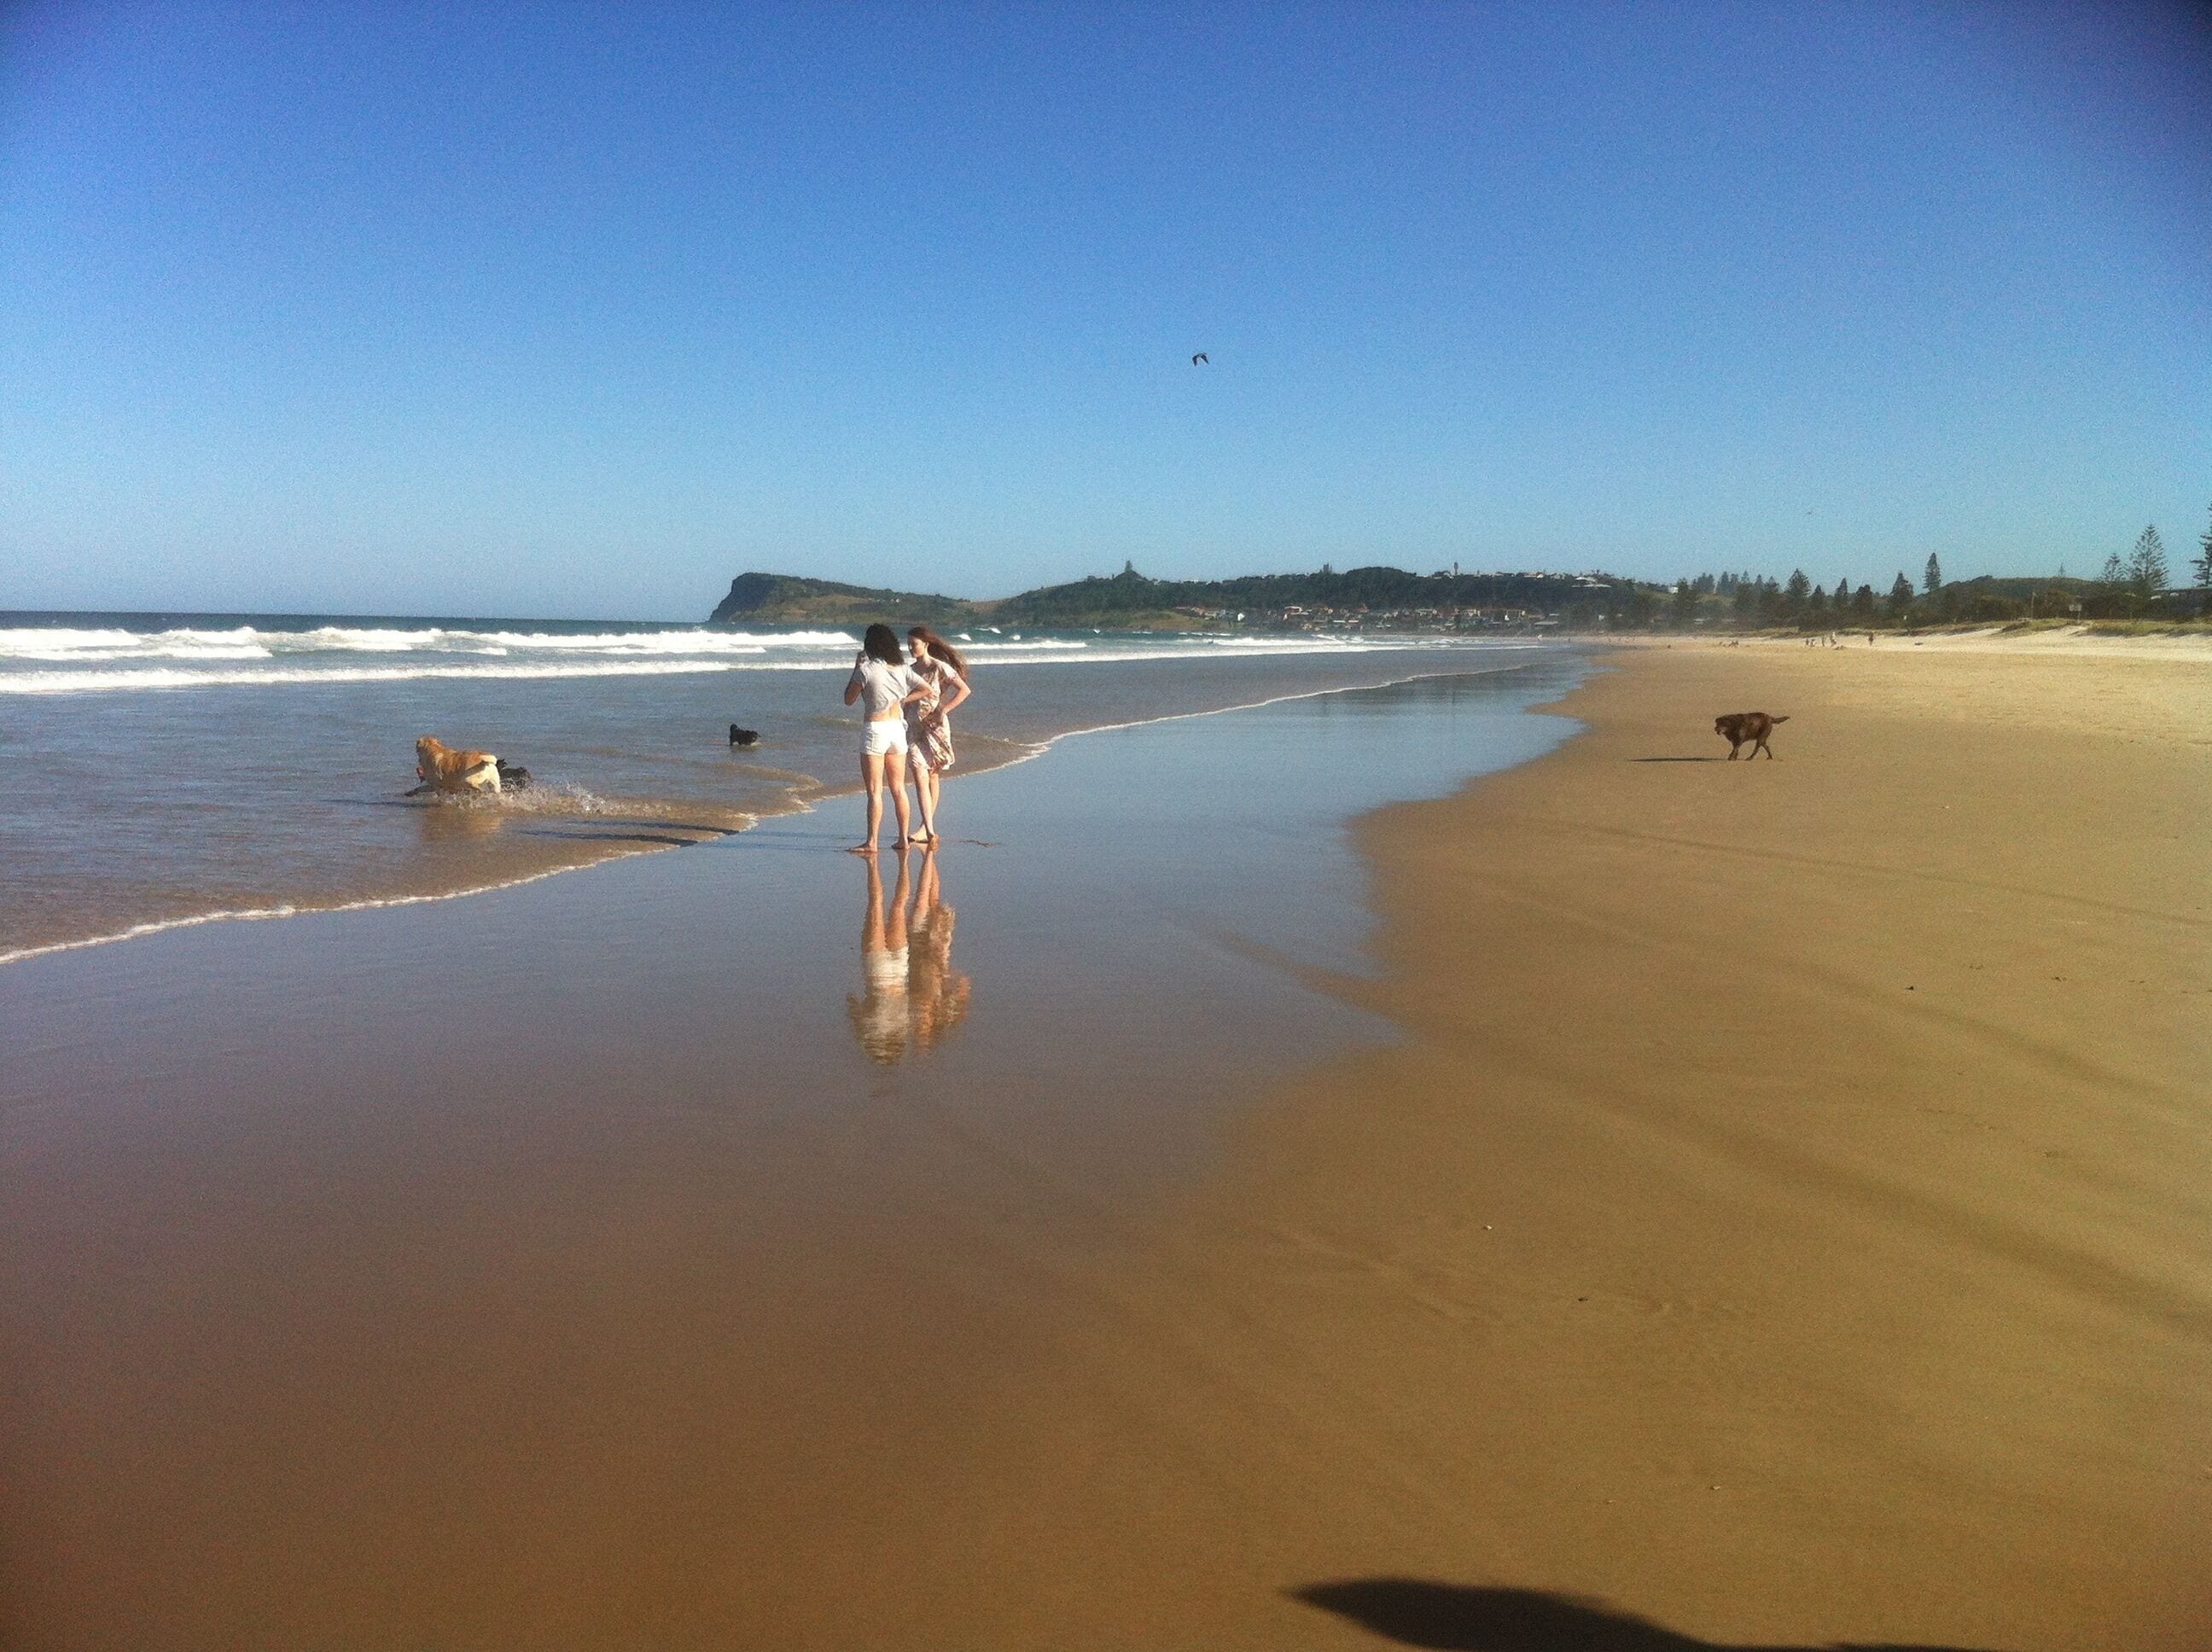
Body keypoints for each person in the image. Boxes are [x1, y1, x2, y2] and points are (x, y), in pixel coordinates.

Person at [842, 624, 928, 853]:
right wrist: (903, 700)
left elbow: (848, 699)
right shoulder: (902, 668)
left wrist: (856, 667)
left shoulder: (867, 669)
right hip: (897, 728)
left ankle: (872, 842)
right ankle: (902, 838)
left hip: (875, 728)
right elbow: (927, 688)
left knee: (875, 791)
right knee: (899, 788)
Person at [902, 625, 972, 846]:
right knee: (917, 770)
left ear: (926, 645)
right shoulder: (909, 669)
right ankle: (927, 827)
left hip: (935, 727)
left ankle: (925, 827)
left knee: (932, 774)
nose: (911, 647)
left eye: (914, 644)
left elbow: (964, 690)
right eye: (909, 644)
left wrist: (944, 709)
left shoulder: (938, 667)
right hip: (913, 727)